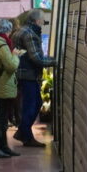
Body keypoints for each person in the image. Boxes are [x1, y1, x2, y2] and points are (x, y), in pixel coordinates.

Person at [13, 9, 56, 148]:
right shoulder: (30, 34)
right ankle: (24, 133)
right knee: (33, 105)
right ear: (37, 20)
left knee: (32, 104)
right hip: (28, 74)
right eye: (42, 20)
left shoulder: (21, 31)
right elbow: (36, 58)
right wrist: (54, 61)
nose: (43, 22)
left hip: (22, 73)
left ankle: (24, 132)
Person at [0, 19, 24, 159]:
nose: (10, 33)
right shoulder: (2, 46)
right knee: (0, 117)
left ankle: (3, 147)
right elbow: (11, 66)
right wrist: (15, 55)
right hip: (3, 86)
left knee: (2, 117)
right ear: (5, 31)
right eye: (9, 31)